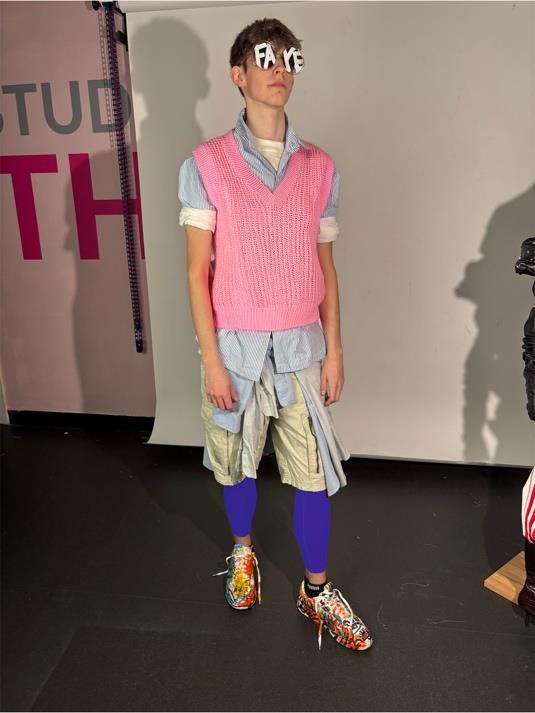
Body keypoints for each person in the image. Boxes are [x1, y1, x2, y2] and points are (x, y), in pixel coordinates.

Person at [178, 17, 372, 652]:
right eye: (265, 59)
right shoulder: (205, 164)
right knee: (234, 464)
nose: (279, 69)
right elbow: (197, 271)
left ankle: (316, 590)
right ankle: (242, 552)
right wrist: (211, 360)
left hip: (300, 348)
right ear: (238, 74)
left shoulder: (319, 168)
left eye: (288, 59)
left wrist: (335, 348)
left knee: (313, 473)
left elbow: (325, 266)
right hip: (234, 348)